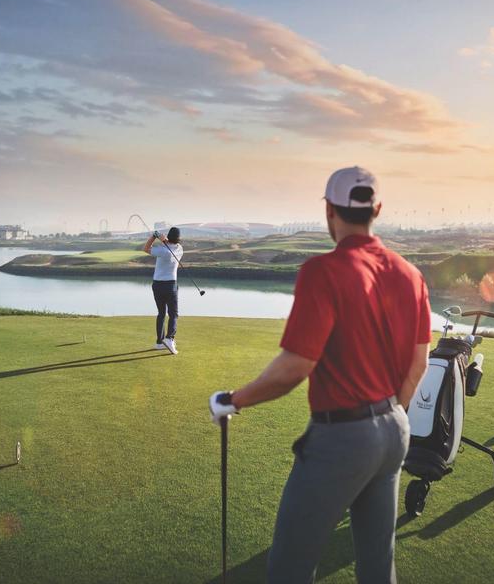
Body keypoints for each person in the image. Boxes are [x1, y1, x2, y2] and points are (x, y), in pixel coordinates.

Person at [209, 166, 431, 583]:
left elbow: (295, 367)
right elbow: (419, 363)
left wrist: (233, 400)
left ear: (330, 210)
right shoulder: (410, 275)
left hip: (342, 439)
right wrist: (390, 415)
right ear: (377, 210)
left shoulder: (323, 271)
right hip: (395, 430)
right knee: (377, 566)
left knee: (289, 567)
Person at [143, 226, 183, 355]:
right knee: (173, 314)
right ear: (178, 239)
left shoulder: (161, 250)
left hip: (157, 285)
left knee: (161, 313)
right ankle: (169, 339)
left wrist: (154, 237)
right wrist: (163, 240)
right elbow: (171, 246)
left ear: (168, 237)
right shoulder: (180, 249)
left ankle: (159, 342)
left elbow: (146, 249)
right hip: (171, 285)